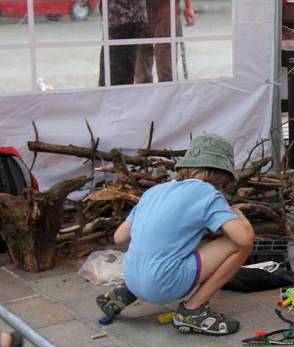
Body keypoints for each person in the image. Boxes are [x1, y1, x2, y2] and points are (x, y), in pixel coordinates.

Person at [96, 134, 254, 336]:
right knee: (239, 245)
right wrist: (237, 213)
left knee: (161, 247)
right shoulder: (208, 193)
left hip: (131, 276)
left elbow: (119, 237)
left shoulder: (155, 191)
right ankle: (192, 311)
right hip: (163, 285)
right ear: (222, 174)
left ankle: (124, 293)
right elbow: (244, 238)